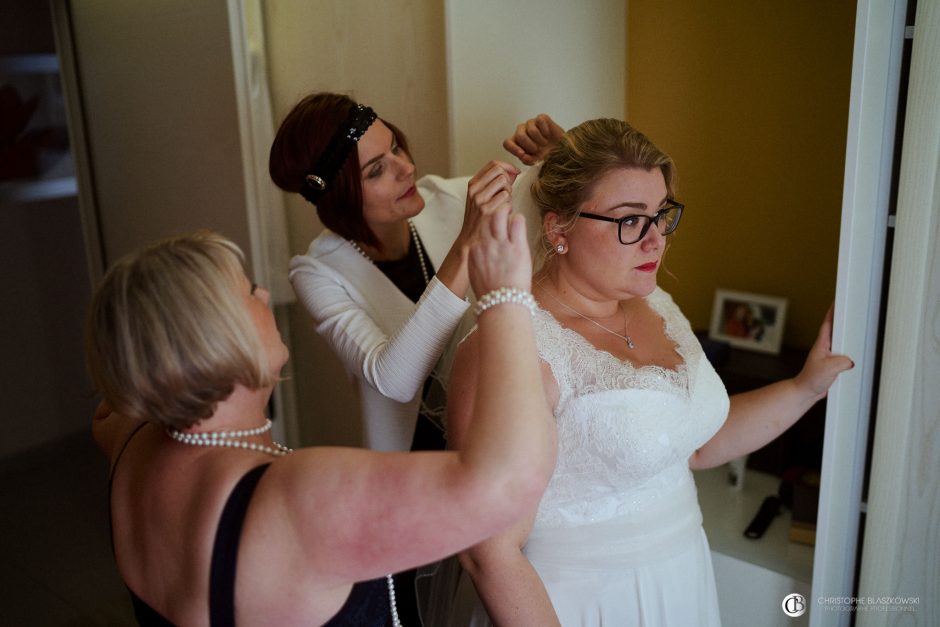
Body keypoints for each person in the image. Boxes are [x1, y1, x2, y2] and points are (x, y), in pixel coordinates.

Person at [441, 117, 854, 626]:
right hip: (577, 603)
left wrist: (805, 387)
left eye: (660, 215)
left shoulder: (655, 300)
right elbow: (488, 553)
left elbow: (696, 444)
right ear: (558, 228)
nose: (656, 241)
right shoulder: (510, 344)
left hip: (681, 580)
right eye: (629, 220)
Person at [87, 223, 553, 626]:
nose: (265, 294)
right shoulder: (295, 499)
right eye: (248, 291)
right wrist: (504, 299)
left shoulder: (130, 437)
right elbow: (508, 485)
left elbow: (113, 402)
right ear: (214, 337)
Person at [270, 92, 523, 455]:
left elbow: (554, 207)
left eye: (396, 147)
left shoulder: (448, 199)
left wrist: (560, 153)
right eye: (377, 169)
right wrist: (466, 244)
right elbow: (395, 380)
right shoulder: (318, 272)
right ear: (342, 196)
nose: (406, 168)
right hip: (414, 465)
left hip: (495, 439)